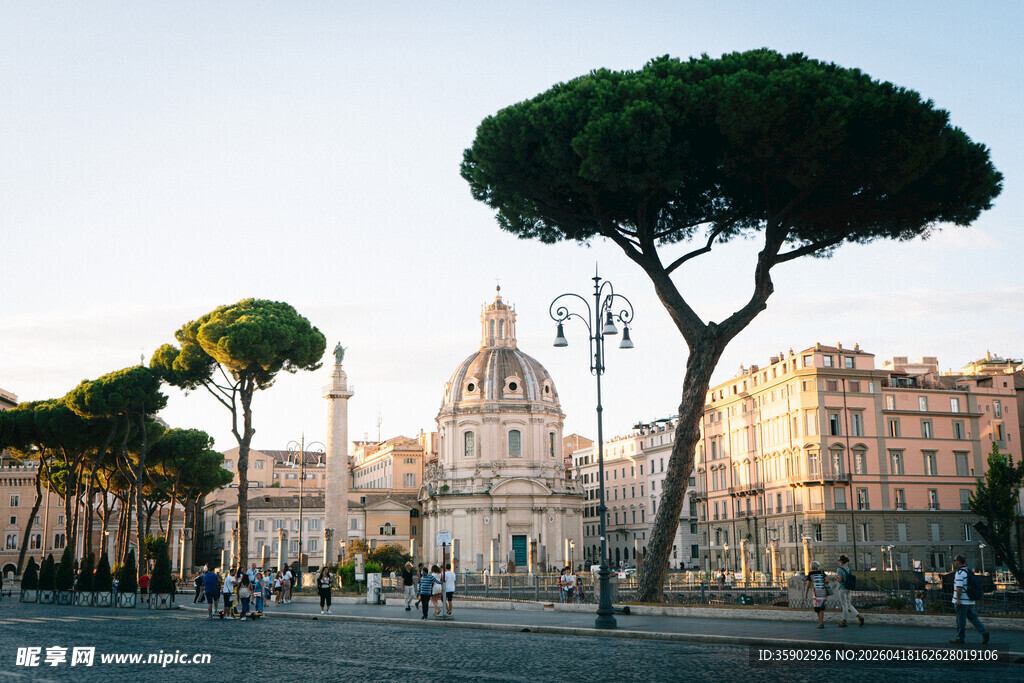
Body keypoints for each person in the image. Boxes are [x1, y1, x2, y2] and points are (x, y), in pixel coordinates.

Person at [950, 554, 989, 644]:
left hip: (962, 601)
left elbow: (959, 587)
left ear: (959, 562)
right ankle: (984, 632)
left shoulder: (959, 573)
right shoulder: (969, 571)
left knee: (960, 621)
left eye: (955, 560)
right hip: (970, 599)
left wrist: (958, 599)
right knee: (974, 618)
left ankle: (960, 638)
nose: (954, 562)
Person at [835, 555, 864, 627]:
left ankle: (844, 621)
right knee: (849, 604)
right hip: (848, 588)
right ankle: (859, 616)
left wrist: (836, 578)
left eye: (838, 560)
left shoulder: (839, 570)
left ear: (841, 562)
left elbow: (840, 580)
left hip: (842, 588)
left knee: (844, 605)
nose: (838, 562)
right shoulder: (848, 569)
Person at [804, 561, 829, 629]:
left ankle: (820, 623)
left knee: (817, 609)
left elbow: (808, 585)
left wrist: (806, 594)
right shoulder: (822, 572)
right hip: (823, 592)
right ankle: (821, 622)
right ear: (818, 566)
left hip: (816, 593)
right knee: (822, 608)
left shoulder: (810, 574)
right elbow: (828, 580)